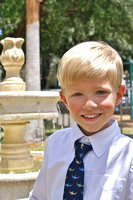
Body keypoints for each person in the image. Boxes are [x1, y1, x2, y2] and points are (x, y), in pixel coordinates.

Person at [29, 41, 133, 200]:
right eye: (77, 94)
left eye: (100, 92)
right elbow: (39, 197)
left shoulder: (128, 157)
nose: (90, 104)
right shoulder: (55, 143)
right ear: (64, 100)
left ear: (118, 95)